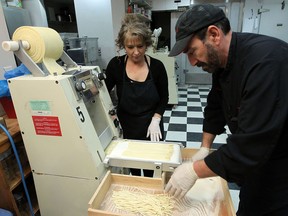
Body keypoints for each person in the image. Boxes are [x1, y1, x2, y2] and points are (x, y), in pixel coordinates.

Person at [165, 4, 288, 216]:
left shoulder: (266, 63)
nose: (192, 62)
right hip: (256, 169)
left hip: (280, 170)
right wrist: (205, 147)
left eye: (192, 52)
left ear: (214, 34)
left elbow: (248, 148)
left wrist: (194, 171)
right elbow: (215, 105)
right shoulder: (223, 62)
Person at [104, 14, 169, 177]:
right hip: (127, 124)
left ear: (147, 43)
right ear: (122, 45)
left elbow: (164, 97)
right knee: (132, 165)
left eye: (140, 46)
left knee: (149, 166)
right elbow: (103, 93)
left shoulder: (157, 67)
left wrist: (156, 119)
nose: (135, 52)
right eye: (130, 47)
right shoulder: (116, 65)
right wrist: (110, 114)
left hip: (151, 125)